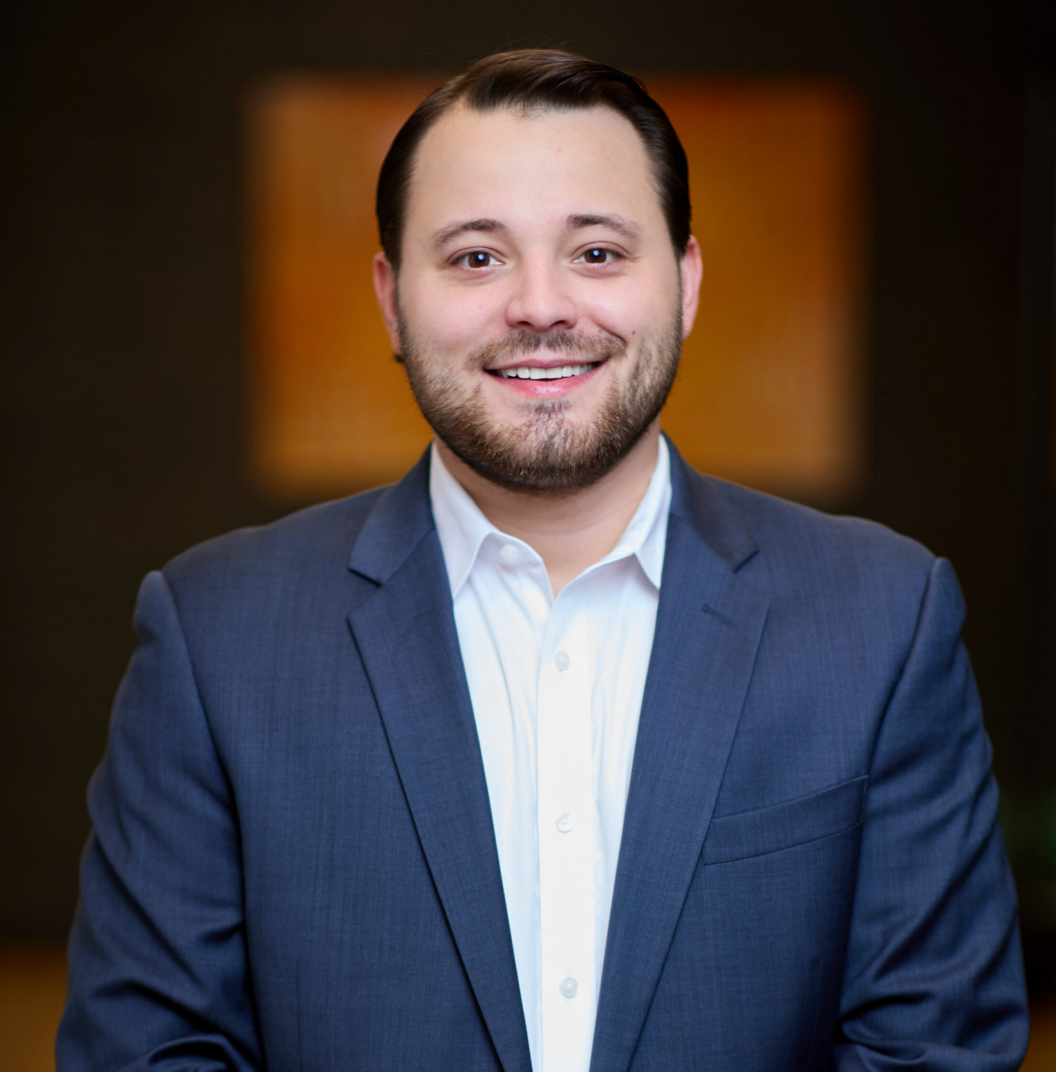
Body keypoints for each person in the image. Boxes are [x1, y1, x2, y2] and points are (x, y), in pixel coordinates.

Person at [58, 49, 1029, 1072]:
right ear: (392, 298)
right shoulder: (216, 637)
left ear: (686, 282)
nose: (540, 304)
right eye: (477, 257)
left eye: (599, 253)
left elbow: (934, 1052)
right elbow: (149, 1052)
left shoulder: (882, 619)